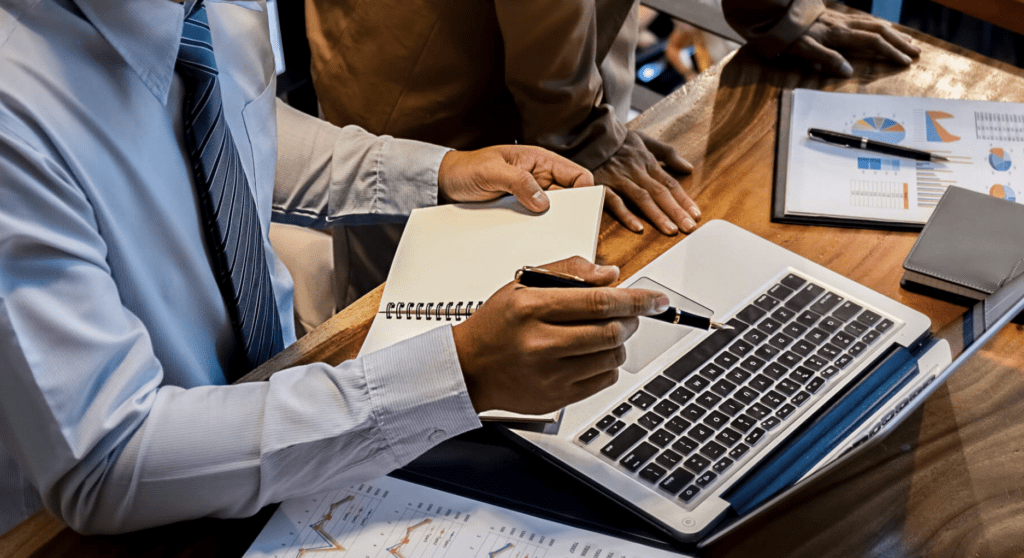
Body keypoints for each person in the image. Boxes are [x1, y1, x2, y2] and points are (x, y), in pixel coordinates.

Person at [0, 0, 669, 535]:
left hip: (285, 407)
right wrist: (461, 370)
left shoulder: (195, 13)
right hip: (117, 516)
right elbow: (106, 463)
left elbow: (234, 120)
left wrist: (432, 171)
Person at [306, 0, 921, 306]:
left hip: (572, 59)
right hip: (429, 69)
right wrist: (580, 130)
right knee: (409, 314)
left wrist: (771, 8)